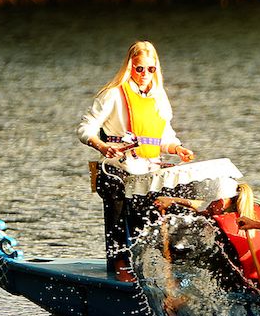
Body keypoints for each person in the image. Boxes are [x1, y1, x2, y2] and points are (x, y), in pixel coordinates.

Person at [77, 40, 196, 274]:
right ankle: (119, 267)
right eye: (139, 68)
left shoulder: (159, 97)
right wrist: (101, 146)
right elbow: (85, 128)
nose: (144, 74)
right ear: (130, 67)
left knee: (152, 223)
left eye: (150, 69)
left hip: (147, 173)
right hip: (116, 172)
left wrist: (177, 149)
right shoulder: (113, 94)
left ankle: (155, 269)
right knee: (118, 223)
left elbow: (164, 137)